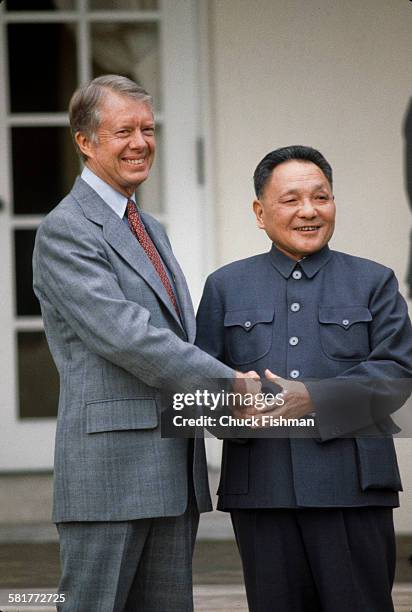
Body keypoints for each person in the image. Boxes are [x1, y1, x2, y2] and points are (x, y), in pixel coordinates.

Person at [32, 74, 252, 612]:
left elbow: (178, 333)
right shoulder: (66, 230)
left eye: (148, 129)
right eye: (123, 131)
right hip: (110, 474)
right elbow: (127, 335)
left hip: (172, 469)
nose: (140, 143)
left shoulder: (149, 226)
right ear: (85, 142)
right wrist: (231, 388)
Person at [196, 145, 412, 612]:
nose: (309, 211)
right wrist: (234, 410)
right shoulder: (225, 286)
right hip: (262, 489)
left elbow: (396, 375)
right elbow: (201, 384)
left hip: (351, 488)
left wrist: (315, 398)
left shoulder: (373, 281)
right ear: (260, 211)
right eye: (291, 199)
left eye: (322, 197)